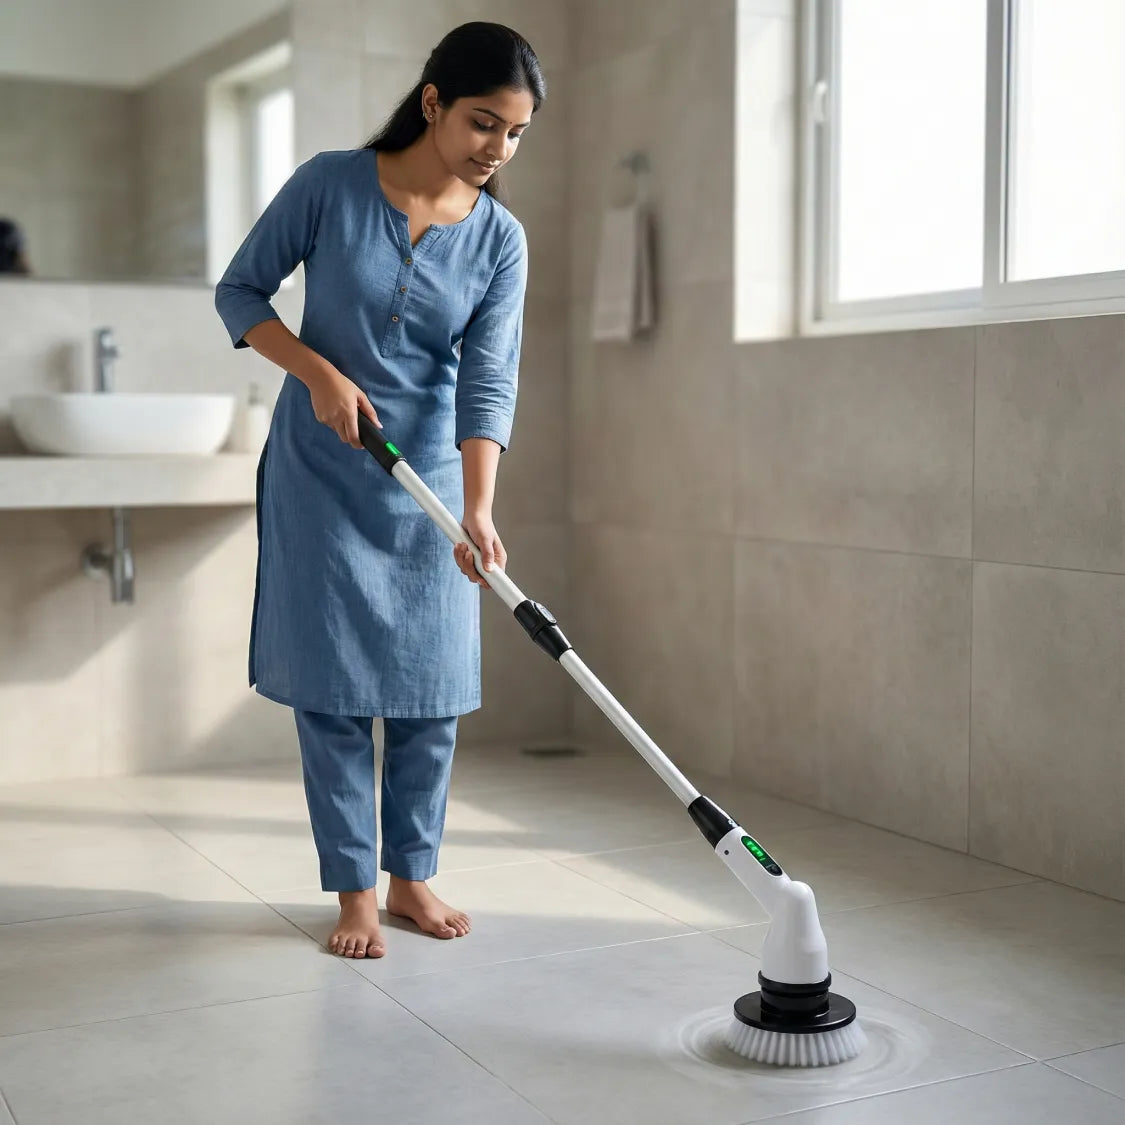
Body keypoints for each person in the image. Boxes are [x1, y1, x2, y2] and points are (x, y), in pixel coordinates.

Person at [215, 22, 543, 959]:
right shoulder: (329, 184)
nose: (497, 148)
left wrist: (478, 506)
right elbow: (241, 292)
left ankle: (411, 875)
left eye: (516, 133)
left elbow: (488, 379)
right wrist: (316, 371)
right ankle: (355, 890)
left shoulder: (500, 240)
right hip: (319, 472)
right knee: (332, 695)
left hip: (429, 480)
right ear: (433, 102)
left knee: (430, 693)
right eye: (483, 122)